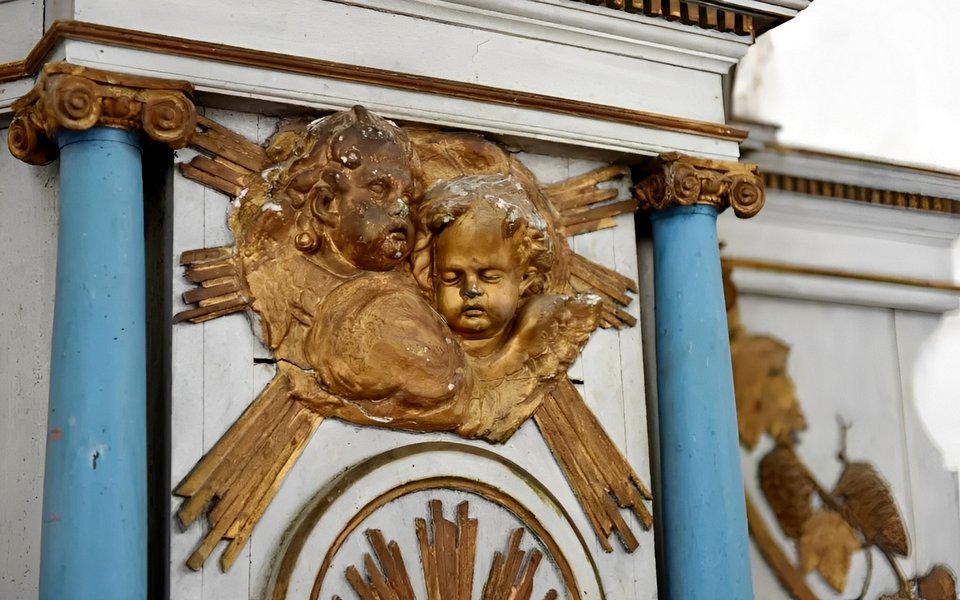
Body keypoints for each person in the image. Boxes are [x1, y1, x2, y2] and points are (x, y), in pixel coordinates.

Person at [412, 174, 600, 440]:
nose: (471, 289)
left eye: (489, 276)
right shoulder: (412, 347)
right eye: (452, 277)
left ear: (524, 279)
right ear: (431, 279)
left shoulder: (544, 326)